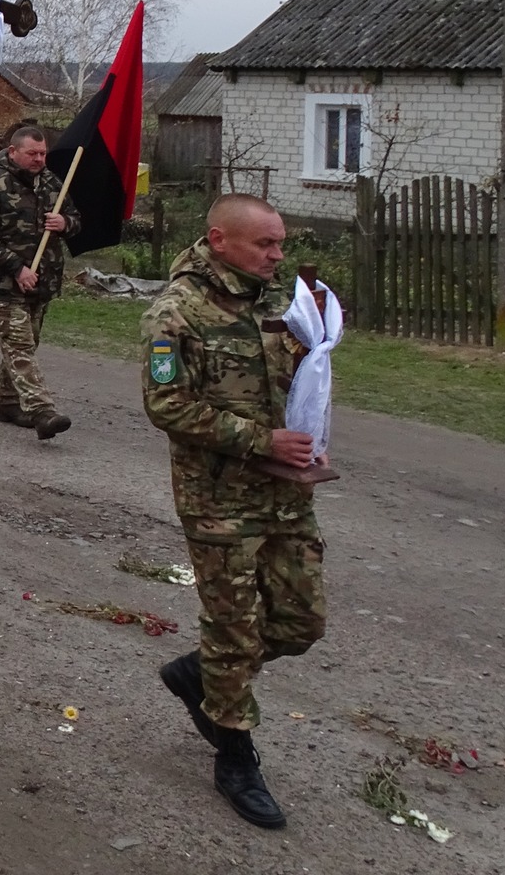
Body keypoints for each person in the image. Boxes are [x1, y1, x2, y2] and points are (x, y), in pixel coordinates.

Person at [143, 194, 324, 831]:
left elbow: (301, 374)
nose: (278, 256)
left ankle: (201, 673)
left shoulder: (280, 300)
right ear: (220, 240)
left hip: (286, 489)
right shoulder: (175, 312)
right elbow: (166, 406)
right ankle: (234, 755)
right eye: (265, 245)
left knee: (301, 621)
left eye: (280, 244)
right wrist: (259, 439)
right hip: (218, 496)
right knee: (235, 628)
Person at [0, 124, 78, 438]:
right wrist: (17, 268)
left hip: (43, 281)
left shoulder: (53, 183)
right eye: (32, 153)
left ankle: (9, 403)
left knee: (25, 344)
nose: (39, 159)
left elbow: (76, 220)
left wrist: (65, 222)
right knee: (20, 345)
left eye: (43, 153)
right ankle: (42, 410)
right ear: (13, 152)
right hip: (3, 283)